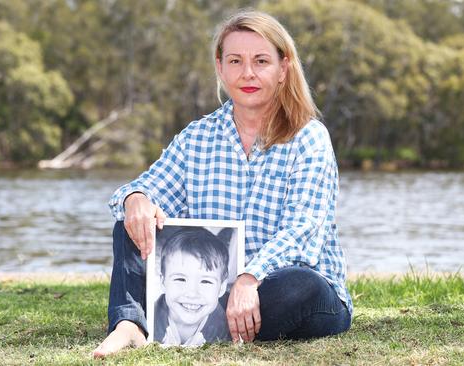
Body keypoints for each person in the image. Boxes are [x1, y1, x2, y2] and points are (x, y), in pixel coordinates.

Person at [93, 9, 352, 358]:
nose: (248, 73)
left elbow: (303, 230)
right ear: (220, 67)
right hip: (211, 293)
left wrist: (249, 277)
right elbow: (142, 189)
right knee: (131, 222)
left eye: (261, 61)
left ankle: (206, 328)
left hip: (290, 289)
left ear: (283, 69)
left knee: (300, 285)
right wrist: (136, 198)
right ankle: (130, 325)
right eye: (235, 61)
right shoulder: (197, 137)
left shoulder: (309, 137)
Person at [154, 227, 231, 346]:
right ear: (163, 282)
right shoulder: (148, 319)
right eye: (180, 279)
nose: (192, 293)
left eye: (205, 281)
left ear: (221, 288)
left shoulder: (228, 328)